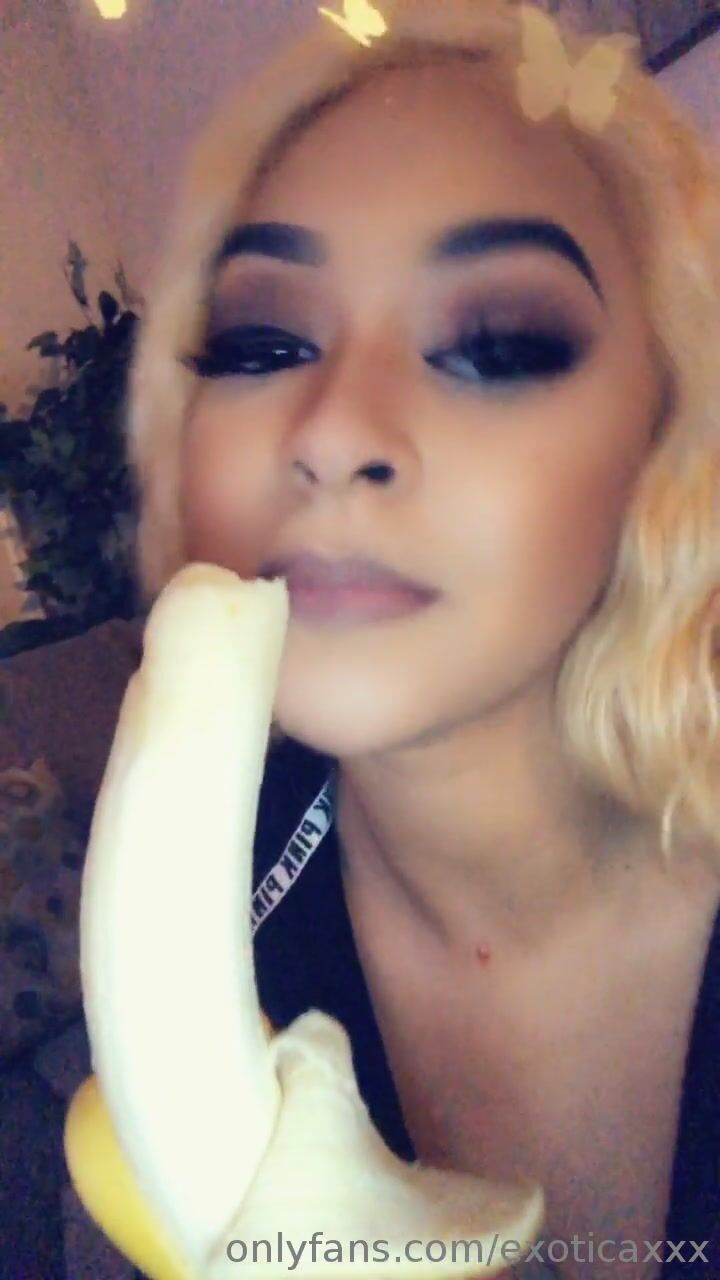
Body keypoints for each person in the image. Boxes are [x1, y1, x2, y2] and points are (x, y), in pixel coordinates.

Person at [122, 1, 720, 1275]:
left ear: (668, 438)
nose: (335, 430)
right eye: (263, 340)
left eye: (496, 343)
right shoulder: (197, 923)